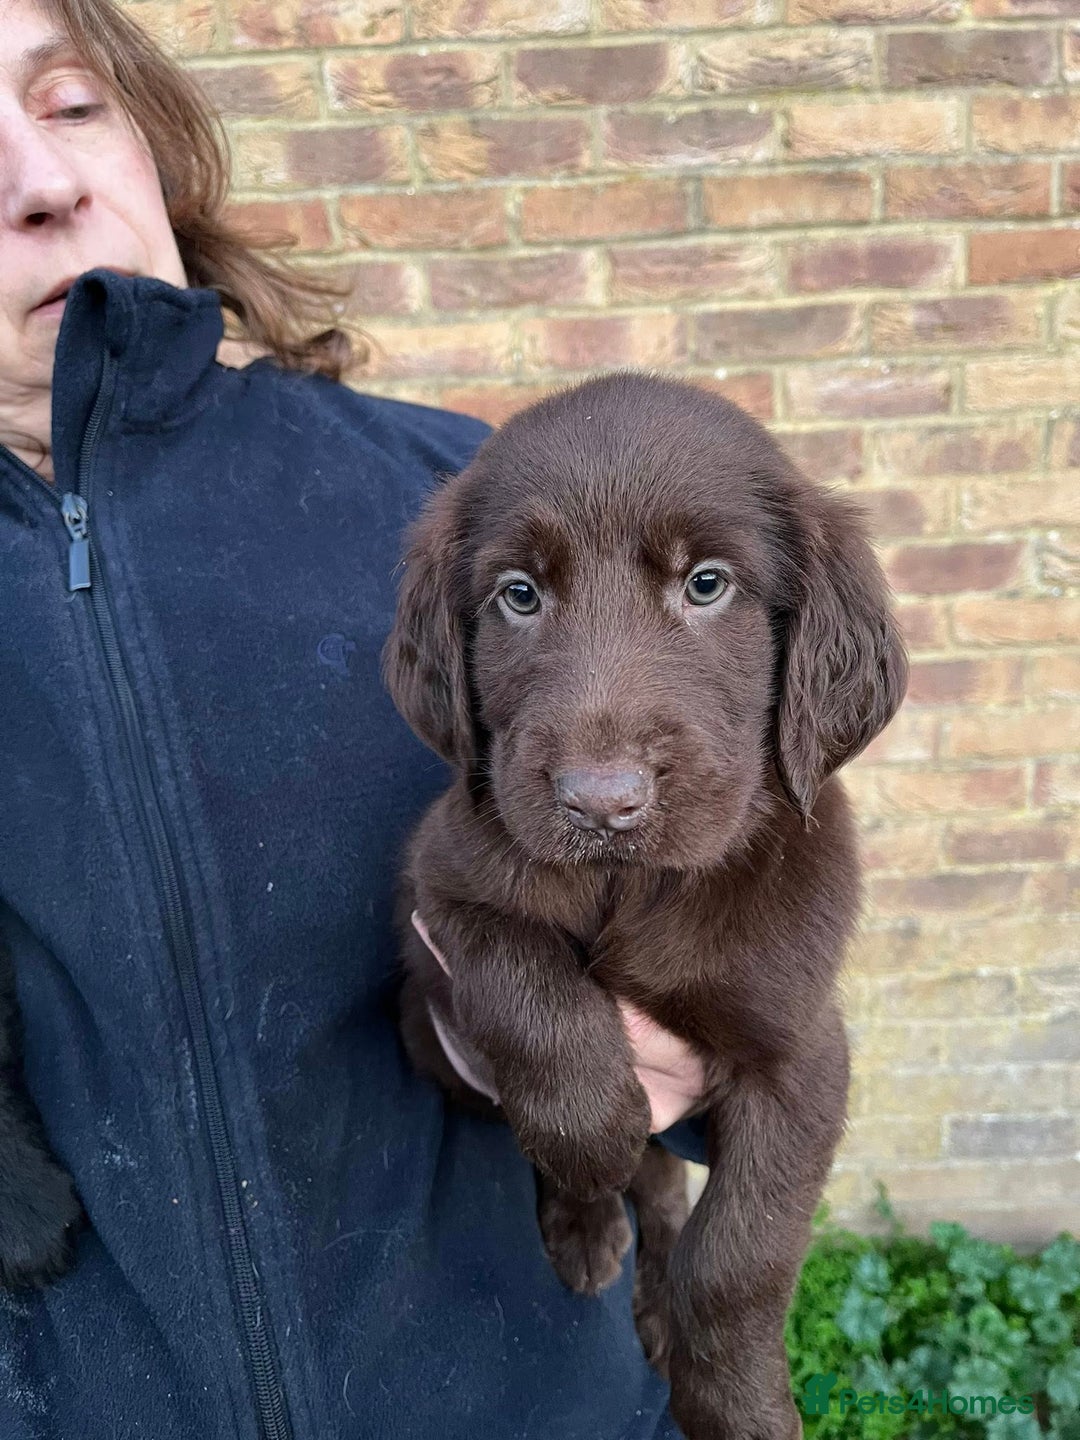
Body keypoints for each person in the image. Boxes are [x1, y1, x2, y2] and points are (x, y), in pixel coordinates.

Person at [0, 2, 714, 1435]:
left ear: (151, 137)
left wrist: (690, 1043)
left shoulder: (468, 517)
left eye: (70, 106)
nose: (43, 181)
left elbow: (722, 897)